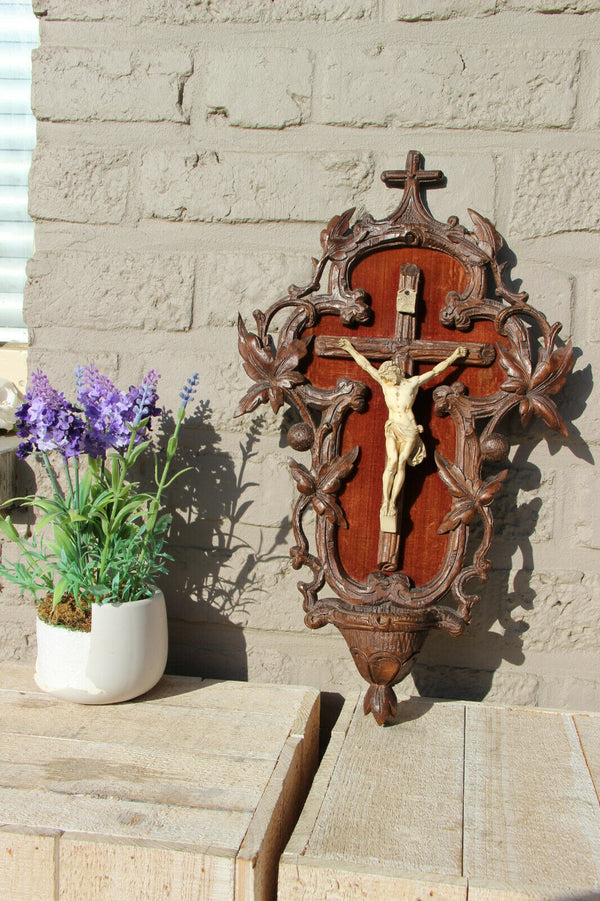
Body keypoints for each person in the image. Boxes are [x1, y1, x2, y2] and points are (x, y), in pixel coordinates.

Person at [338, 338, 467, 532]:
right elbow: (365, 365)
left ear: (395, 373)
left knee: (400, 464)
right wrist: (349, 348)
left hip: (410, 429)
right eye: (385, 378)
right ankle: (385, 502)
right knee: (391, 462)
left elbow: (436, 372)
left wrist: (455, 356)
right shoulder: (385, 383)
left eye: (389, 377)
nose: (387, 380)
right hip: (393, 427)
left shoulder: (412, 383)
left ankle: (393, 504)